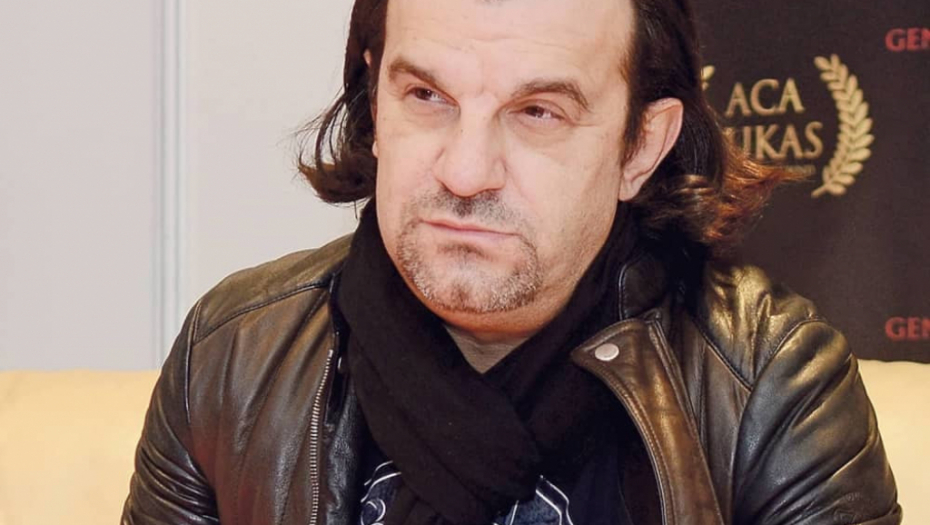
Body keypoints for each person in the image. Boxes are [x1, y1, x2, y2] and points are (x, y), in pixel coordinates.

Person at [122, 0, 902, 523]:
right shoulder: (230, 358)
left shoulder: (770, 385)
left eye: (537, 112)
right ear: (375, 101)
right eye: (427, 96)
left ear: (641, 146)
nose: (466, 172)